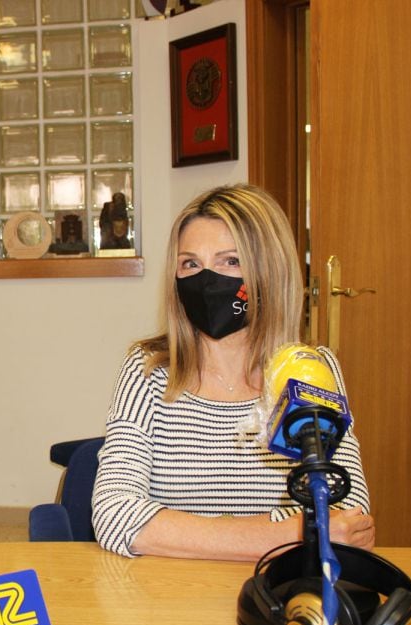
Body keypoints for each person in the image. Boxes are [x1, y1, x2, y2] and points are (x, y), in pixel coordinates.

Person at [91, 184, 374, 561]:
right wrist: (293, 532)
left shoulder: (309, 371)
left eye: (230, 261)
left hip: (279, 588)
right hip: (171, 589)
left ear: (269, 272)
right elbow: (114, 514)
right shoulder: (148, 369)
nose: (208, 281)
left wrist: (176, 531)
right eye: (191, 264)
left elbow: (346, 516)